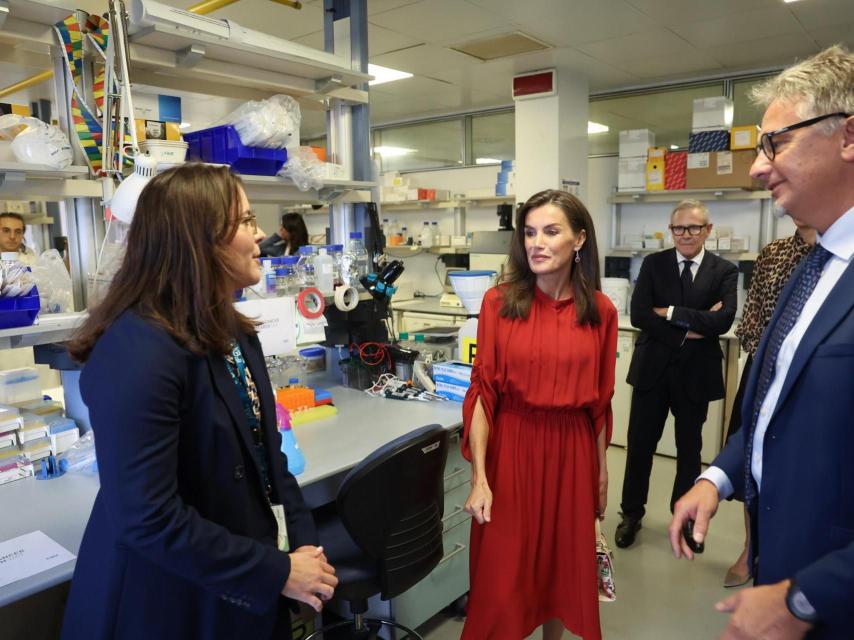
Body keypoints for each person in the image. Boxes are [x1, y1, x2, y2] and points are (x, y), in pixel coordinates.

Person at [61, 164, 337, 640]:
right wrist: (277, 572)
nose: (262, 235)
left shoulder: (232, 332)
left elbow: (271, 463)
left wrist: (303, 553)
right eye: (248, 222)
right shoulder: (137, 351)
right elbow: (148, 519)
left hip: (238, 583)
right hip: (169, 603)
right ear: (201, 239)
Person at [670, 44, 854, 640]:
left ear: (849, 137)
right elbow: (780, 407)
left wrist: (805, 599)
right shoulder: (813, 262)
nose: (756, 165)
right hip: (779, 571)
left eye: (776, 142)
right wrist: (716, 477)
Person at [461, 189, 617, 640]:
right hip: (512, 448)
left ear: (579, 240)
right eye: (530, 233)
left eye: (551, 232)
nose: (537, 243)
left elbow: (599, 405)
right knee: (501, 578)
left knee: (560, 571)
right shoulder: (499, 303)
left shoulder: (601, 313)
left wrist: (600, 474)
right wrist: (480, 477)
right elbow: (483, 393)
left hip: (572, 455)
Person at [615, 199, 738, 549]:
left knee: (689, 450)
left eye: (694, 227)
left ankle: (683, 518)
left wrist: (667, 312)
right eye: (679, 228)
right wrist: (690, 327)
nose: (686, 234)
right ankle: (631, 514)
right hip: (652, 370)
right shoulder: (653, 264)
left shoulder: (724, 271)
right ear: (671, 231)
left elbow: (724, 319)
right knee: (639, 446)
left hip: (695, 375)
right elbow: (639, 314)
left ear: (707, 230)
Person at [722, 219, 815, 588]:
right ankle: (750, 548)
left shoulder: (841, 255)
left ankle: (791, 557)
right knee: (751, 464)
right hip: (764, 370)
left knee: (798, 470)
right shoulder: (774, 253)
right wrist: (761, 357)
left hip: (812, 376)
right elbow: (753, 316)